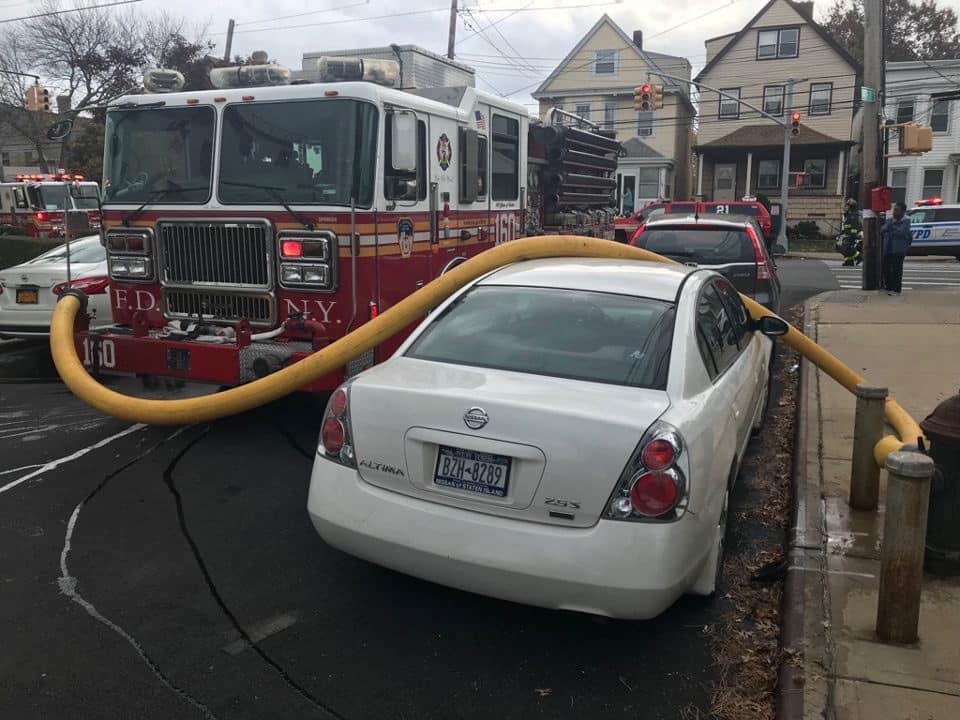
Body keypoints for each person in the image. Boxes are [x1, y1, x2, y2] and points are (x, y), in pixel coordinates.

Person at [879, 201, 912, 295]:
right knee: (886, 268)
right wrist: (892, 226)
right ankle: (888, 287)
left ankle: (896, 289)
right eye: (894, 210)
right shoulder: (890, 220)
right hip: (888, 248)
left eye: (897, 210)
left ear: (903, 211)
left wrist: (891, 228)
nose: (894, 212)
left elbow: (901, 232)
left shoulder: (906, 221)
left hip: (899, 249)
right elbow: (882, 230)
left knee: (896, 269)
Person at [835, 198, 863, 266]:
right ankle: (848, 261)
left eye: (847, 205)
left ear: (851, 206)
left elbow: (854, 226)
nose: (846, 207)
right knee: (842, 246)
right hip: (848, 233)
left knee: (843, 246)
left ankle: (858, 256)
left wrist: (851, 233)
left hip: (852, 233)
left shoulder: (853, 214)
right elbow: (846, 225)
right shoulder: (849, 214)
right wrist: (842, 232)